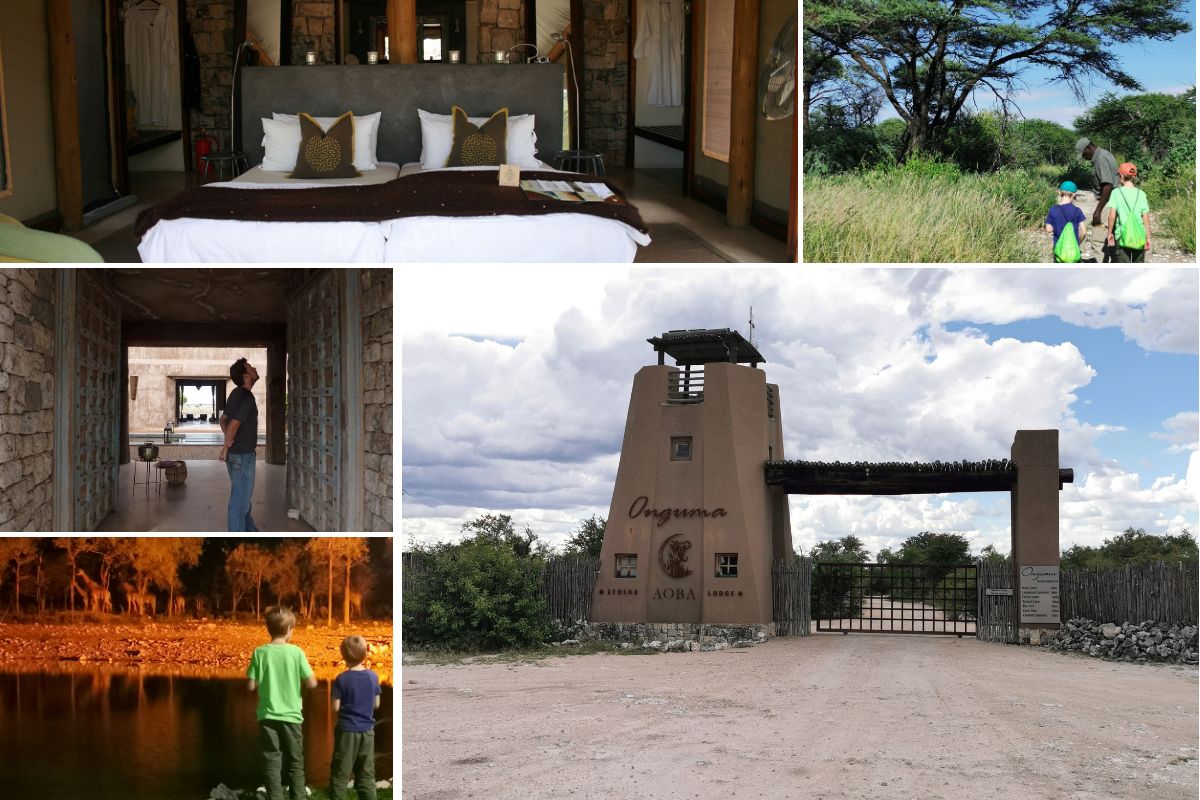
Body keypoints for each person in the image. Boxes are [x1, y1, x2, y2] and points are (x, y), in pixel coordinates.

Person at [247, 607, 317, 800]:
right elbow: (311, 683)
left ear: (268, 629)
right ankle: (298, 797)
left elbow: (251, 686)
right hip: (292, 716)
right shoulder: (296, 652)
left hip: (267, 716)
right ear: (289, 630)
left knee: (271, 759)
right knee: (295, 761)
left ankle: (275, 797)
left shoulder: (259, 652)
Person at [329, 635, 382, 800]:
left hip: (347, 732)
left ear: (343, 655)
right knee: (366, 773)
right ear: (366, 653)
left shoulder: (341, 679)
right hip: (367, 732)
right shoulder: (373, 677)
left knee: (340, 773)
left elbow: (335, 707)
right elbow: (377, 704)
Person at [219, 357, 259, 531]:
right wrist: (227, 443)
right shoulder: (247, 397)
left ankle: (252, 533)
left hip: (236, 456)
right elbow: (234, 423)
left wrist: (230, 440)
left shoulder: (235, 393)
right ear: (246, 375)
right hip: (243, 457)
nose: (254, 368)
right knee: (238, 504)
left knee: (243, 500)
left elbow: (223, 420)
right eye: (250, 367)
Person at [1075, 137, 1119, 261]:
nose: (1084, 157)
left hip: (1108, 202)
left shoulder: (1100, 158)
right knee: (1111, 238)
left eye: (1084, 154)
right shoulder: (1105, 153)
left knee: (1098, 240)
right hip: (1112, 200)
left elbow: (1107, 185)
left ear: (1089, 148)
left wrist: (1098, 211)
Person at [1105, 162, 1151, 263]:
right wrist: (1147, 237)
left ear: (1121, 176)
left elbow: (1112, 216)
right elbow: (1146, 218)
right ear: (1134, 176)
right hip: (1139, 236)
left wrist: (1109, 233)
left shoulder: (1116, 192)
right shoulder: (1142, 194)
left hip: (1121, 236)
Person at [1044, 180, 1088, 263]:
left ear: (1059, 192)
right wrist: (1078, 242)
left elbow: (1048, 229)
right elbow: (1084, 232)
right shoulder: (1077, 210)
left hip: (1059, 250)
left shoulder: (1053, 209)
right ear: (1074, 194)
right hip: (1073, 250)